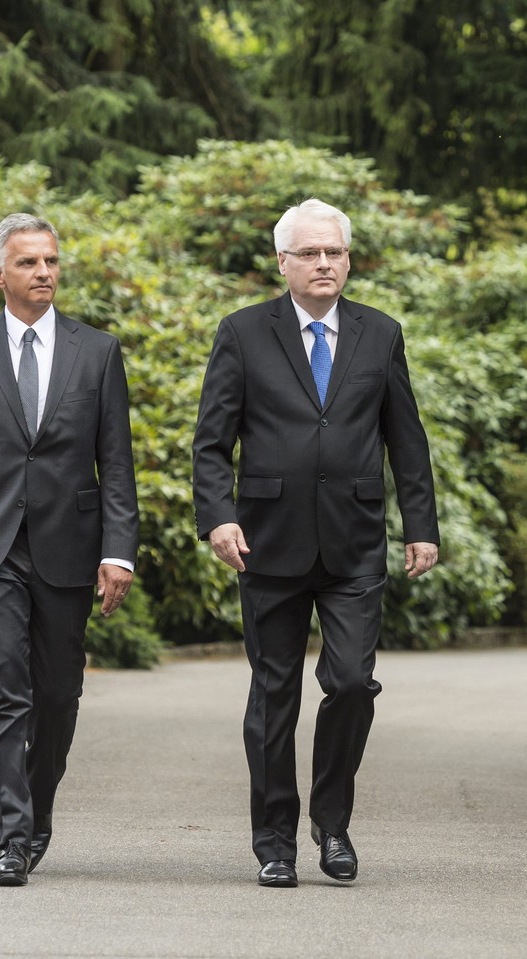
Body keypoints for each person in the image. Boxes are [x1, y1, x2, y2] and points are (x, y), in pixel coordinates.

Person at [191, 198, 439, 887]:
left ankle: (332, 824)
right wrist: (217, 517)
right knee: (274, 695)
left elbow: (406, 439)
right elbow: (211, 442)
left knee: (354, 683)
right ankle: (274, 841)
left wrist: (421, 527)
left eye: (334, 252)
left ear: (349, 259)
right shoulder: (243, 333)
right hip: (266, 541)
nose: (324, 263)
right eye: (309, 253)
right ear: (283, 263)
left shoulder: (380, 334)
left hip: (355, 544)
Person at [0, 213, 138, 887]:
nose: (44, 272)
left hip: (69, 548)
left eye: (51, 261)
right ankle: (11, 836)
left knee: (57, 694)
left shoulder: (96, 352)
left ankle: (37, 811)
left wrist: (119, 550)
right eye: (29, 263)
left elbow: (116, 464)